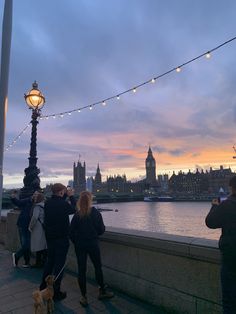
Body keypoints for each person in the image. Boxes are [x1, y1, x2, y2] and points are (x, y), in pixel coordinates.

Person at [69, 191, 114, 307]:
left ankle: (84, 297)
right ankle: (102, 291)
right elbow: (101, 230)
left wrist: (77, 241)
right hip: (93, 244)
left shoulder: (77, 215)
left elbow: (71, 232)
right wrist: (94, 235)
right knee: (97, 267)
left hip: (80, 246)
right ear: (90, 201)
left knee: (81, 271)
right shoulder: (95, 213)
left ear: (79, 202)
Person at [39, 183, 76, 301]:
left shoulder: (48, 203)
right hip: (61, 239)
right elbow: (73, 209)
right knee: (59, 266)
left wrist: (64, 195)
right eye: (64, 191)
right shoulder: (63, 204)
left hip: (50, 238)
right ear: (61, 192)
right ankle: (56, 292)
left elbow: (59, 203)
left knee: (49, 263)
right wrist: (71, 196)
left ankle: (43, 287)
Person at [205, 176, 236, 314]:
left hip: (231, 259)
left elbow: (210, 222)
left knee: (229, 301)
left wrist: (214, 206)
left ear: (232, 187)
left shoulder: (227, 205)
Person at [11, 190, 39, 267]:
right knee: (26, 244)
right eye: (35, 194)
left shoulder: (38, 204)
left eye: (38, 195)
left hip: (30, 227)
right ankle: (17, 255)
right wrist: (13, 197)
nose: (36, 196)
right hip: (23, 225)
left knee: (27, 244)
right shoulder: (28, 200)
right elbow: (18, 203)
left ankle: (26, 262)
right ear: (33, 195)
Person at [28, 192, 47, 268]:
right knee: (44, 246)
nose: (34, 198)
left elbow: (35, 217)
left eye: (36, 198)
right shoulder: (45, 205)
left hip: (38, 228)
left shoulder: (37, 207)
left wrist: (30, 227)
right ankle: (44, 262)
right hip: (44, 227)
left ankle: (38, 263)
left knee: (38, 246)